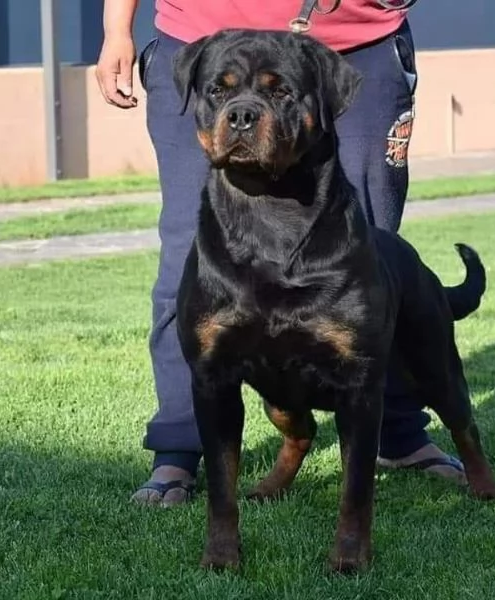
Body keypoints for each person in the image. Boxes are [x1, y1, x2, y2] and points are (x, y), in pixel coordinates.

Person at [96, 0, 466, 506]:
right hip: (200, 39)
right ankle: (177, 449)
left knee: (371, 265)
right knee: (192, 259)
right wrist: (117, 28)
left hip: (356, 45)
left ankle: (397, 433)